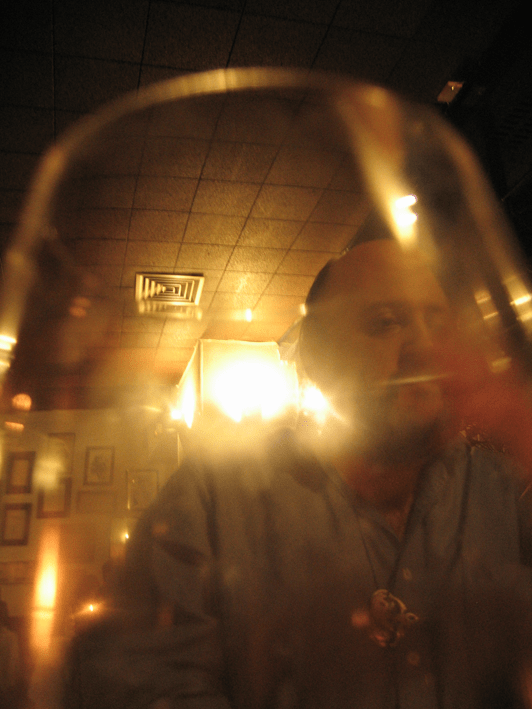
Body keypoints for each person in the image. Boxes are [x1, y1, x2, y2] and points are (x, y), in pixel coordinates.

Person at [65, 239, 532, 709]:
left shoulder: (506, 490)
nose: (425, 348)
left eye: (437, 323)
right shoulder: (216, 494)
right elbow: (137, 677)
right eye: (385, 323)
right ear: (318, 358)